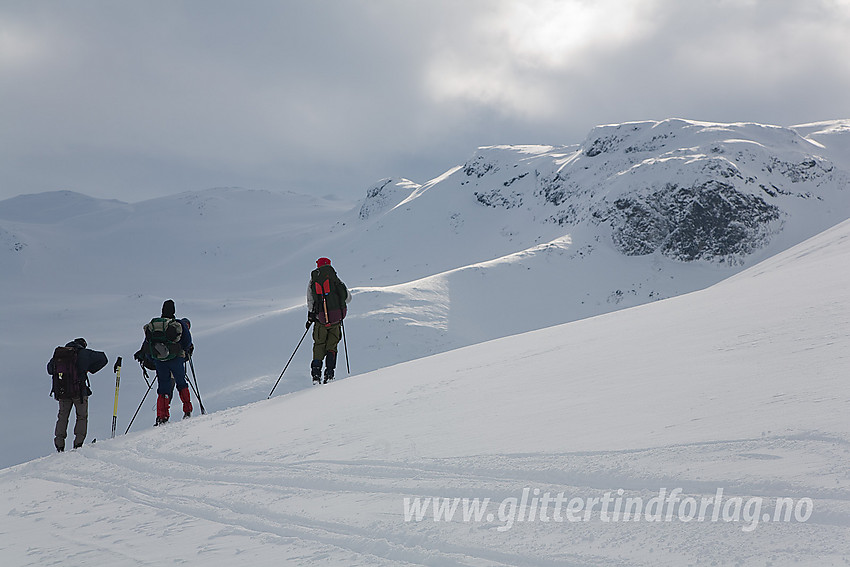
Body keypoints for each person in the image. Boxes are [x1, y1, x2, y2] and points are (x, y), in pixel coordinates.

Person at [137, 299, 194, 425]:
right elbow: (187, 342)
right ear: (174, 310)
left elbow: (148, 344)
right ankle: (187, 410)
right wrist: (183, 352)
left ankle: (162, 416)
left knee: (163, 388)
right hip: (176, 359)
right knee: (181, 383)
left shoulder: (155, 325)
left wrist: (152, 359)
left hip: (160, 361)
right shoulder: (178, 324)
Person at [46, 338, 108, 452]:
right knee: (81, 416)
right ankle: (78, 443)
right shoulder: (84, 353)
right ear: (83, 345)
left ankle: (59, 444)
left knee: (62, 417)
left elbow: (49, 369)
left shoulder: (60, 354)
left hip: (63, 392)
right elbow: (103, 358)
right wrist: (90, 369)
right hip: (79, 392)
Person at [306, 257, 351, 384]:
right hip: (336, 320)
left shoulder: (313, 281)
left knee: (319, 345)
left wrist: (311, 317)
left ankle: (316, 375)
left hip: (320, 321)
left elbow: (310, 302)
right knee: (332, 346)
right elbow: (347, 298)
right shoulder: (336, 279)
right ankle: (330, 374)